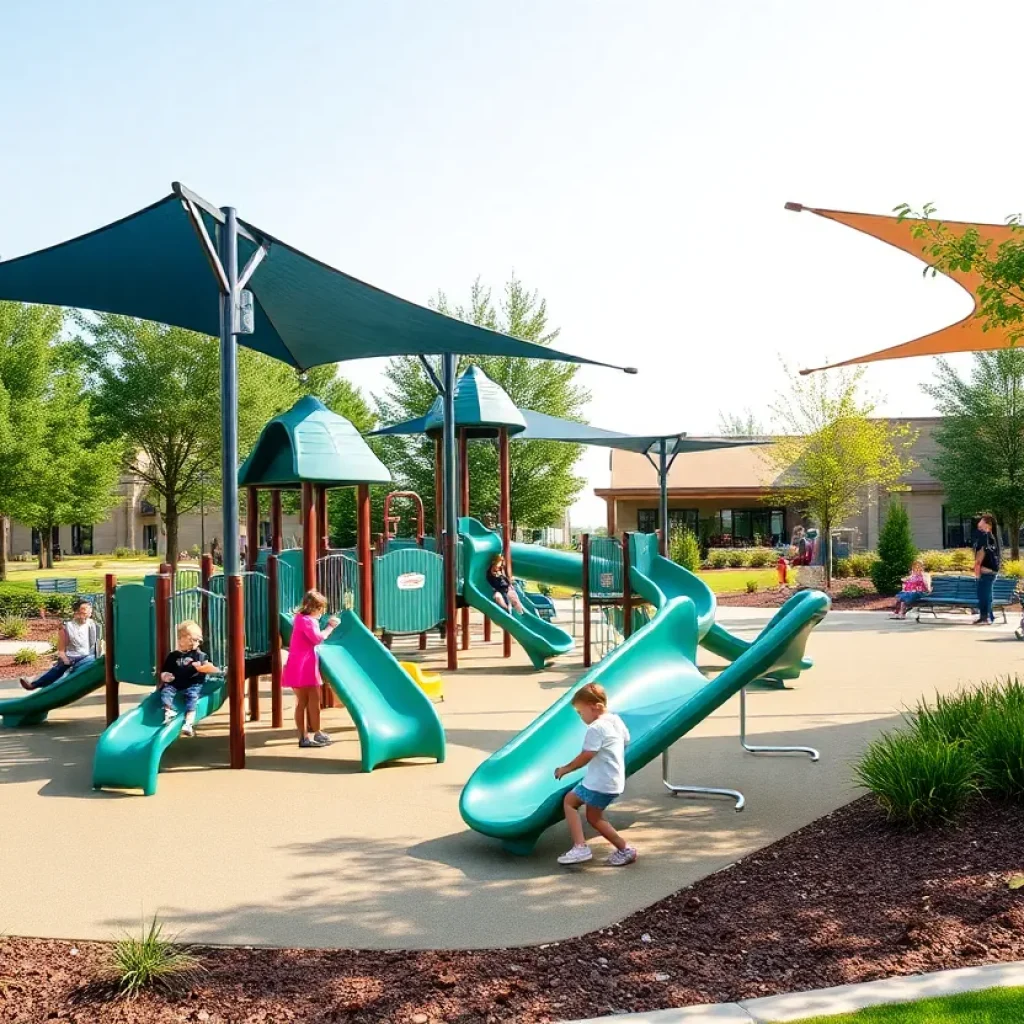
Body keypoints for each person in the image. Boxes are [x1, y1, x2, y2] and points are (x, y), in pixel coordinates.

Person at [553, 682, 637, 867]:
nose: (580, 716)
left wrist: (565, 768)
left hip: (599, 782)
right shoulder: (615, 720)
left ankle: (580, 847)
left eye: (581, 712)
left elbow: (587, 755)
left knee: (570, 801)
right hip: (613, 781)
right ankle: (625, 849)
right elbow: (626, 740)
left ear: (595, 708)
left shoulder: (596, 728)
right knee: (594, 817)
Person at [284, 590, 340, 748]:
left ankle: (317, 732)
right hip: (302, 665)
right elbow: (316, 639)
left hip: (304, 663)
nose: (322, 612)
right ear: (315, 607)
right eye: (321, 608)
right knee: (304, 701)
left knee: (314, 700)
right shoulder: (307, 621)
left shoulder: (301, 618)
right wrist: (330, 627)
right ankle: (304, 737)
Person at [19, 598, 99, 691]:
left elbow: (93, 642)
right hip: (72, 656)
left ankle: (59, 683)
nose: (86, 615)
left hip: (87, 656)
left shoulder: (91, 624)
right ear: (76, 613)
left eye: (88, 612)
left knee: (72, 667)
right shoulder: (68, 626)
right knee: (58, 668)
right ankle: (35, 685)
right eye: (83, 613)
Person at [159, 620, 221, 737]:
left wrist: (204, 668)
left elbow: (210, 667)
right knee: (166, 691)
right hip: (176, 683)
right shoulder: (174, 656)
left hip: (193, 684)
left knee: (192, 698)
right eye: (192, 639)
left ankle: (188, 723)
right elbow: (165, 670)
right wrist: (165, 676)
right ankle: (168, 711)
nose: (196, 643)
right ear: (181, 639)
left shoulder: (199, 655)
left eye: (198, 640)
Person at [974, 514, 1001, 625]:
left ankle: (985, 617)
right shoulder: (992, 537)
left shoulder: (984, 537)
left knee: (984, 596)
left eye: (981, 521)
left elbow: (980, 556)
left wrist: (977, 572)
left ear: (988, 525)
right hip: (990, 572)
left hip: (986, 573)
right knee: (987, 595)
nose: (979, 523)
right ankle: (988, 617)